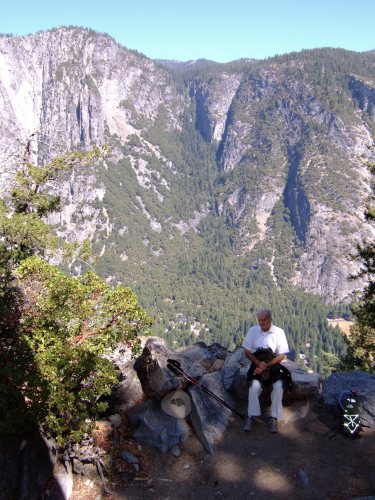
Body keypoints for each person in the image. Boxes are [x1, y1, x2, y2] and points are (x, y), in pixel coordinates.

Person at [242, 308, 289, 433]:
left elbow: (281, 355)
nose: (261, 323)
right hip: (257, 364)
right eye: (259, 320)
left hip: (271, 364)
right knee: (254, 387)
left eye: (264, 320)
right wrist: (258, 364)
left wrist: (267, 366)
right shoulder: (253, 331)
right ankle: (252, 415)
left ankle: (274, 417)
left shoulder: (278, 332)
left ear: (270, 320)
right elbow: (247, 351)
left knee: (278, 386)